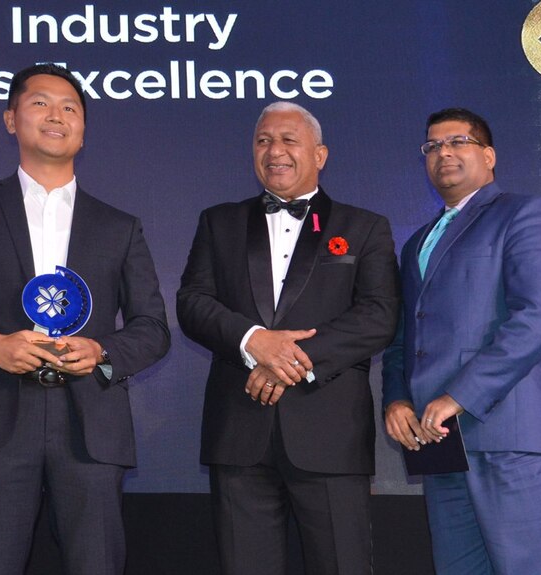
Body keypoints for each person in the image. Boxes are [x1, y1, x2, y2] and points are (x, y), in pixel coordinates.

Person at [0, 63, 170, 575]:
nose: (57, 115)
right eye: (40, 103)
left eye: (70, 107)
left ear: (83, 129)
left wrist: (103, 351)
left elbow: (153, 327)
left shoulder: (120, 226)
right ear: (11, 120)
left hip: (90, 422)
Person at [177, 102, 400, 575]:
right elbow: (193, 303)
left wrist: (290, 358)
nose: (274, 151)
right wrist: (255, 340)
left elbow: (378, 316)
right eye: (263, 141)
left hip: (330, 435)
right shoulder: (219, 222)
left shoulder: (364, 227)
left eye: (288, 140)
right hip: (239, 431)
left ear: (320, 154)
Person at [382, 107, 541, 574]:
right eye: (432, 146)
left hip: (511, 435)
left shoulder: (524, 212)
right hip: (440, 443)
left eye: (457, 141)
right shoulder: (417, 243)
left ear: (488, 156)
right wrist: (396, 401)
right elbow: (402, 339)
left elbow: (538, 314)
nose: (443, 152)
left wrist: (459, 395)